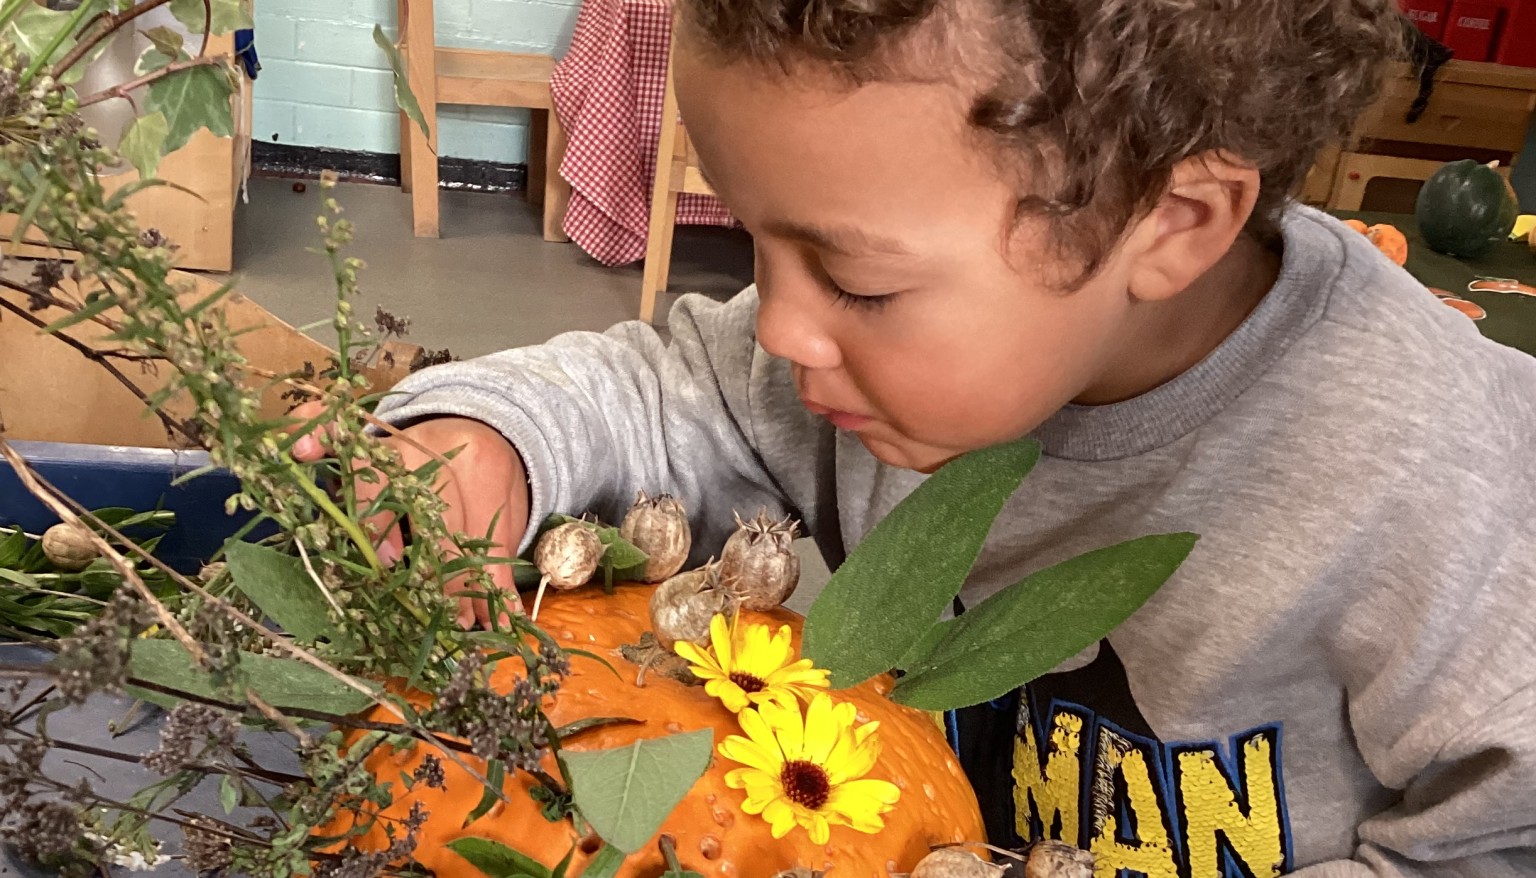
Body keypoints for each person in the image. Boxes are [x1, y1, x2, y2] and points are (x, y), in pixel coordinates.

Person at [295, 0, 1536, 873]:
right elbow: (669, 380)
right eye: (752, 241)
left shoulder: (1444, 472)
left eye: (857, 281)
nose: (780, 325)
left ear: (1175, 219)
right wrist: (489, 438)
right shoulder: (857, 371)